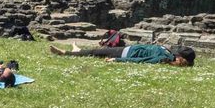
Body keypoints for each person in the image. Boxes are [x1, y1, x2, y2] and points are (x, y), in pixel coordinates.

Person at [49, 43, 195, 66]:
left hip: (126, 52)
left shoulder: (165, 56)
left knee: (96, 52)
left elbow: (143, 60)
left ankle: (66, 53)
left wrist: (117, 60)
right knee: (96, 52)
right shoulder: (166, 55)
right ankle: (76, 50)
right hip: (128, 49)